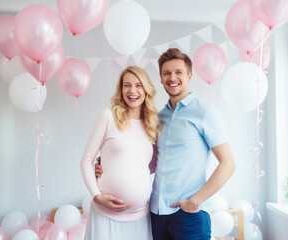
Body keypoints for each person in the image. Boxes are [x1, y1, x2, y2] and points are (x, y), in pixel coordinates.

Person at [96, 48, 236, 240]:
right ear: (161, 79)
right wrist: (107, 168)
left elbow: (228, 164)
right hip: (156, 214)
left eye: (178, 72)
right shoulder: (157, 118)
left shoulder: (205, 113)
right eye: (166, 73)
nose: (172, 78)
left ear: (189, 76)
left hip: (189, 215)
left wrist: (195, 202)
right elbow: (148, 163)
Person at [80, 66, 160, 240]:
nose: (132, 90)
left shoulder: (152, 125)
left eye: (138, 85)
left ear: (146, 89)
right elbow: (86, 160)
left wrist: (110, 167)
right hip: (105, 215)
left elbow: (148, 166)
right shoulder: (108, 117)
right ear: (121, 89)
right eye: (127, 85)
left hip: (140, 217)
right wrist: (97, 196)